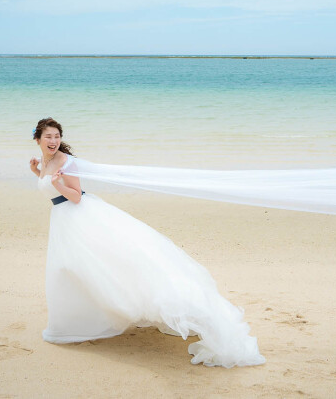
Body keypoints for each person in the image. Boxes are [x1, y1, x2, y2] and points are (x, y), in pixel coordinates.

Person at [29, 118, 265, 368]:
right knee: (77, 269)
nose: (53, 141)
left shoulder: (67, 162)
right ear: (38, 139)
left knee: (112, 265)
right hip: (65, 221)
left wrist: (57, 184)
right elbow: (49, 186)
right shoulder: (45, 161)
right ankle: (82, 318)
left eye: (57, 136)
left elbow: (76, 196)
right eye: (48, 137)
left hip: (78, 216)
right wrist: (37, 172)